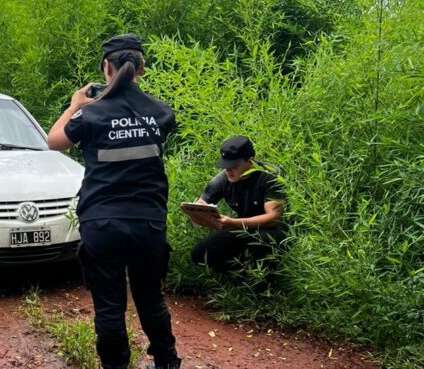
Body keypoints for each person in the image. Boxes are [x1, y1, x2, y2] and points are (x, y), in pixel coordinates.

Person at [47, 33, 181, 369]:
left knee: (109, 306)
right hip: (148, 222)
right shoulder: (161, 113)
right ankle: (167, 362)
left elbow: (54, 141)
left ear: (106, 67)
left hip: (101, 223)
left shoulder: (91, 115)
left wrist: (75, 105)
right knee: (151, 300)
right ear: (142, 68)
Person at [190, 136, 287, 274]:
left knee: (261, 245)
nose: (228, 171)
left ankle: (262, 288)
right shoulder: (223, 178)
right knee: (200, 255)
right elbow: (202, 202)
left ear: (250, 161)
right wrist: (197, 213)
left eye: (233, 166)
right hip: (241, 227)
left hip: (271, 230)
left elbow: (274, 218)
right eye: (225, 166)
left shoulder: (269, 177)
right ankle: (240, 275)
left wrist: (233, 223)